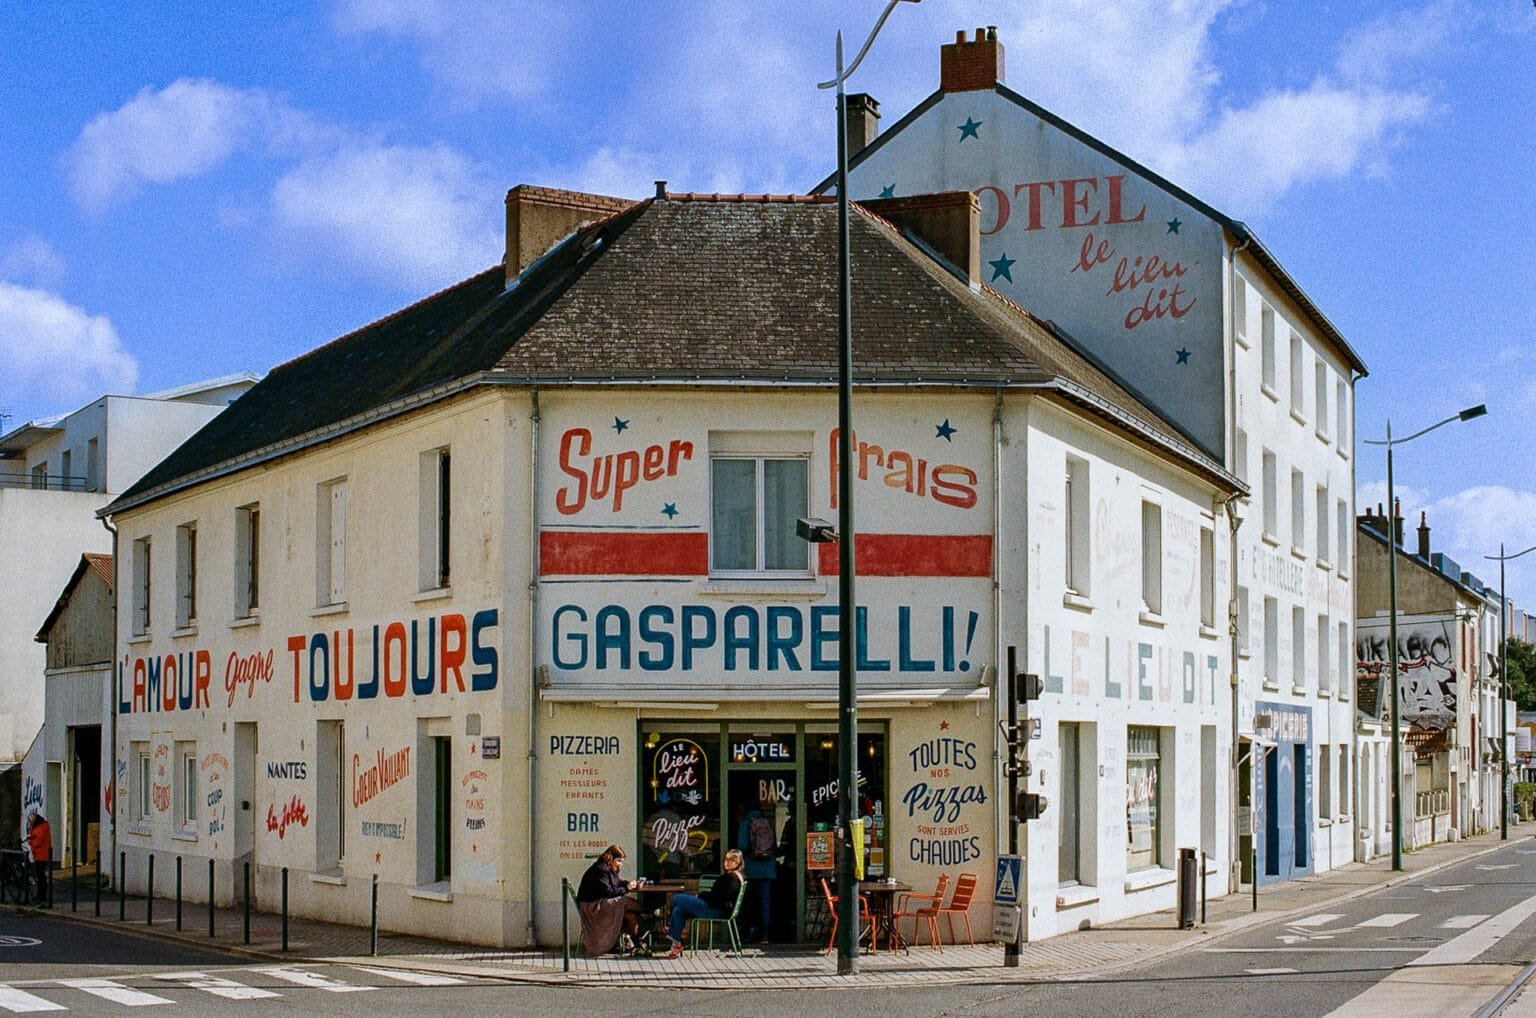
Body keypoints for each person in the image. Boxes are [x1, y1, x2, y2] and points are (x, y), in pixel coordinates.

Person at [664, 848, 745, 959]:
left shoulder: (731, 878)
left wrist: (700, 896)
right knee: (679, 910)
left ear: (739, 862)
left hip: (716, 910)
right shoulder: (738, 876)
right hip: (718, 908)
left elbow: (716, 898)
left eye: (732, 860)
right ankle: (676, 944)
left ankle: (673, 928)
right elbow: (716, 896)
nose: (728, 862)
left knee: (677, 898)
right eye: (726, 859)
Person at [575, 844, 640, 956]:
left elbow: (617, 882)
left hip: (599, 902)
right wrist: (626, 889)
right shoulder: (601, 870)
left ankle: (634, 943)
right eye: (619, 860)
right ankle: (644, 910)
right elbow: (608, 892)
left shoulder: (608, 869)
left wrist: (628, 883)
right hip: (593, 906)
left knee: (630, 916)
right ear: (611, 859)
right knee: (625, 901)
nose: (620, 864)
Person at [737, 798, 777, 943]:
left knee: (748, 902)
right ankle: (765, 935)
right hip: (768, 868)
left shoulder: (745, 822)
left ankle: (746, 932)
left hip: (751, 867)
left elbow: (742, 845)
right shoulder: (766, 821)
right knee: (765, 902)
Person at [25, 811, 51, 906]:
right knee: (40, 876)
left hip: (42, 854)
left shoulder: (41, 828)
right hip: (38, 854)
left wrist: (31, 842)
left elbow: (38, 842)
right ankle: (40, 895)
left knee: (40, 876)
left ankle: (42, 896)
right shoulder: (39, 827)